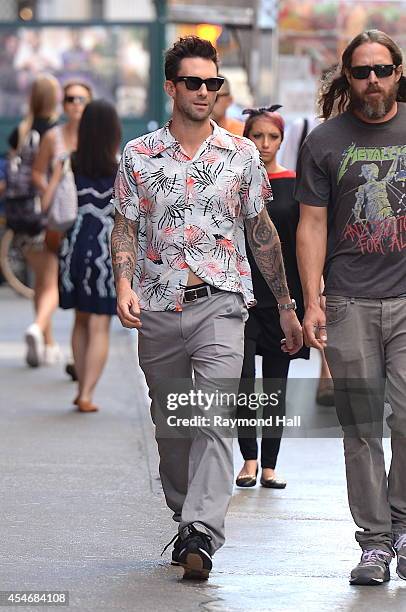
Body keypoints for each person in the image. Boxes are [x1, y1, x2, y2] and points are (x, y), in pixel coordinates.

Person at [111, 35, 302, 580]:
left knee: (214, 418)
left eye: (212, 83)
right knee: (173, 428)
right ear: (171, 87)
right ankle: (184, 514)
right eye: (192, 82)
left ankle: (202, 530)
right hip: (158, 305)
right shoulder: (139, 155)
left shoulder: (241, 154)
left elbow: (260, 232)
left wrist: (286, 304)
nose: (203, 91)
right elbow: (124, 223)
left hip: (222, 304)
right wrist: (124, 282)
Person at [295, 29, 406, 585]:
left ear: (398, 72)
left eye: (381, 71)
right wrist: (312, 300)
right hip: (348, 302)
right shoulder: (323, 141)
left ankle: (403, 525)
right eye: (361, 72)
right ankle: (376, 543)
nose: (372, 82)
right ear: (347, 78)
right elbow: (311, 224)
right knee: (361, 427)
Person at [235, 105, 310, 490]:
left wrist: (307, 298)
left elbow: (303, 242)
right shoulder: (235, 179)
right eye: (256, 136)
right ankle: (249, 459)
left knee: (277, 384)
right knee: (245, 382)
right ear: (245, 137)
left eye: (272, 137)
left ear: (282, 140)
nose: (264, 144)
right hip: (243, 295)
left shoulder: (294, 184)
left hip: (283, 299)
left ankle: (270, 465)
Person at [44, 100, 119, 413]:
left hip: (74, 249)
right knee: (100, 324)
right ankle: (87, 392)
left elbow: (48, 204)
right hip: (104, 252)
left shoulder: (70, 161)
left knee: (80, 319)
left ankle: (80, 387)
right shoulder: (120, 167)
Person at [32, 80, 92, 368]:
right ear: (63, 104)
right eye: (70, 99)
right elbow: (36, 173)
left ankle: (74, 355)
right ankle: (45, 335)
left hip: (90, 223)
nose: (76, 104)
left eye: (81, 99)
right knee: (50, 279)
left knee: (83, 287)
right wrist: (51, 192)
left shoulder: (98, 137)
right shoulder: (53, 137)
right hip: (60, 221)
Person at [7, 74, 60, 368]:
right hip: (45, 214)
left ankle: (47, 344)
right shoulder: (54, 132)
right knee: (51, 283)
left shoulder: (20, 131)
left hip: (21, 216)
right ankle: (38, 329)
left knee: (39, 280)